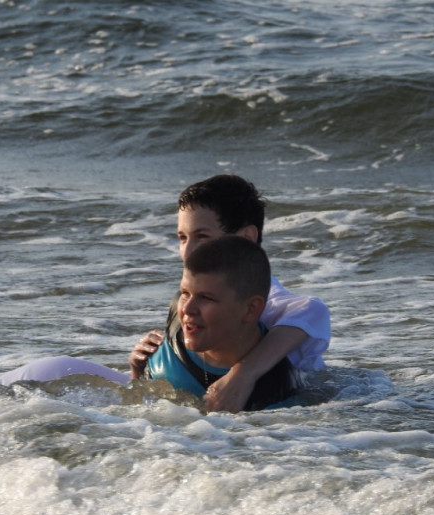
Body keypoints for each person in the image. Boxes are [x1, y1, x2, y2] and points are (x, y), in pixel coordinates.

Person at [129, 174, 330, 412]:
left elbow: (312, 311)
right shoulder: (190, 298)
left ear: (246, 238)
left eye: (202, 237)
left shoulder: (261, 301)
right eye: (183, 238)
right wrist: (142, 368)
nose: (188, 252)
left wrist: (244, 373)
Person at [145, 235, 304, 411]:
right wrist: (137, 371)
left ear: (250, 309)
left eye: (206, 298)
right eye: (185, 293)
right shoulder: (176, 316)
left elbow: (309, 311)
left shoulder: (273, 389)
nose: (187, 309)